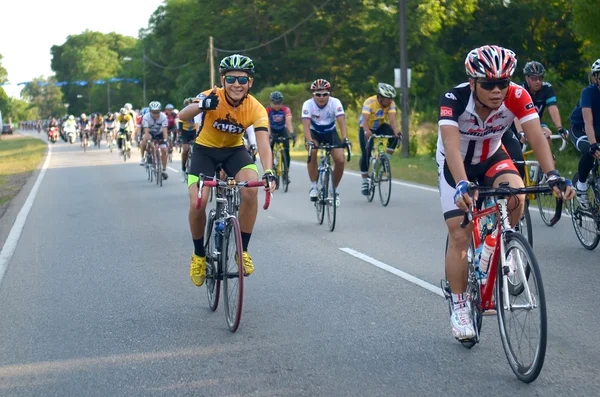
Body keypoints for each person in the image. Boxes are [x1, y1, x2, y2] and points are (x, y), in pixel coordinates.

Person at [437, 45, 574, 340]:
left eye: (504, 82)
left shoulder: (517, 95)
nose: (497, 90)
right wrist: (462, 184)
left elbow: (536, 135)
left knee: (516, 195)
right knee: (459, 233)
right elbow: (450, 146)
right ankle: (460, 305)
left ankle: (493, 244)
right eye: (489, 84)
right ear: (473, 82)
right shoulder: (454, 99)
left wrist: (552, 175)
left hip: (492, 157)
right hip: (456, 164)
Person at [178, 53, 276, 287]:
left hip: (234, 151)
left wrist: (269, 171)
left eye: (242, 80)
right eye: (231, 79)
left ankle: (242, 251)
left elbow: (263, 142)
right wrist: (202, 105)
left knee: (251, 190)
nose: (236, 85)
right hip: (204, 151)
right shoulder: (211, 95)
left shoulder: (256, 108)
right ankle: (199, 255)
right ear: (223, 80)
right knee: (198, 202)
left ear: (250, 83)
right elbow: (182, 116)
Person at [501, 60, 568, 177]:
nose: (538, 81)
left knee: (546, 134)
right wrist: (521, 132)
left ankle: (544, 167)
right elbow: (516, 114)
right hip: (514, 125)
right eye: (534, 78)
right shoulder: (520, 89)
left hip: (534, 123)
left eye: (540, 78)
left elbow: (552, 108)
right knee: (515, 156)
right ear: (527, 78)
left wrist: (560, 128)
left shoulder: (547, 88)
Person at [302, 79, 350, 206]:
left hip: (330, 132)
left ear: (329, 94)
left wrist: (345, 138)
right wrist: (309, 141)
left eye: (325, 94)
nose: (321, 97)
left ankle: (334, 190)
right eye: (318, 94)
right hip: (314, 132)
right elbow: (306, 125)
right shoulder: (308, 104)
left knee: (340, 160)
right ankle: (313, 186)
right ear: (313, 95)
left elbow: (341, 121)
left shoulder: (335, 103)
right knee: (312, 152)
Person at [358, 82, 402, 195]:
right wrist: (367, 131)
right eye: (389, 99)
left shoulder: (391, 103)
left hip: (380, 126)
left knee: (394, 135)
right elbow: (365, 121)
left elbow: (392, 120)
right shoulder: (369, 102)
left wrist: (397, 131)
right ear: (381, 98)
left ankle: (385, 159)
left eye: (392, 98)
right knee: (366, 153)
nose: (391, 101)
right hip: (367, 127)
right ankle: (364, 181)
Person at [570, 59, 600, 209]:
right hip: (580, 128)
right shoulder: (588, 92)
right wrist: (593, 144)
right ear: (595, 78)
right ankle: (581, 186)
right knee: (590, 150)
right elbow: (588, 122)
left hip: (598, 128)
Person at [267, 91, 295, 184]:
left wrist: (291, 133)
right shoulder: (267, 110)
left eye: (279, 103)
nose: (277, 105)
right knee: (269, 152)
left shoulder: (285, 109)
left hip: (282, 131)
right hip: (272, 130)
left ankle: (286, 172)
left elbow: (288, 121)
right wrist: (269, 135)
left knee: (286, 151)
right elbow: (267, 124)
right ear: (271, 102)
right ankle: (270, 171)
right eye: (274, 103)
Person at [140, 101, 169, 180]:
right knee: (144, 140)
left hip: (160, 133)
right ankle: (143, 158)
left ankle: (163, 169)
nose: (155, 114)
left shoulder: (163, 117)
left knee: (164, 150)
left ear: (160, 111)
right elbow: (146, 131)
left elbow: (165, 130)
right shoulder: (146, 117)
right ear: (150, 111)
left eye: (157, 112)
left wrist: (165, 140)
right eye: (153, 112)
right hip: (150, 133)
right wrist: (149, 142)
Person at [179, 98, 199, 178]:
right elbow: (180, 127)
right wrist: (179, 136)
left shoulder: (197, 113)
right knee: (186, 149)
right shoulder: (183, 113)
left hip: (194, 131)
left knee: (197, 149)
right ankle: (183, 168)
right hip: (185, 132)